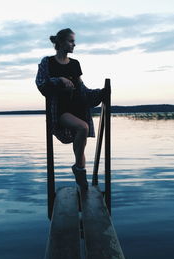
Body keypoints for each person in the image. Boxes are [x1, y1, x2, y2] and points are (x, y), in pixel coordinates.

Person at [35, 28, 105, 190]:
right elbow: (41, 84)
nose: (74, 44)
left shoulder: (75, 64)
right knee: (83, 127)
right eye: (71, 41)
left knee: (81, 140)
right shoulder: (48, 62)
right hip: (59, 110)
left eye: (74, 41)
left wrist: (100, 93)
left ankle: (80, 174)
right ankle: (79, 170)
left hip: (78, 107)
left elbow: (82, 88)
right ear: (60, 42)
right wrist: (59, 79)